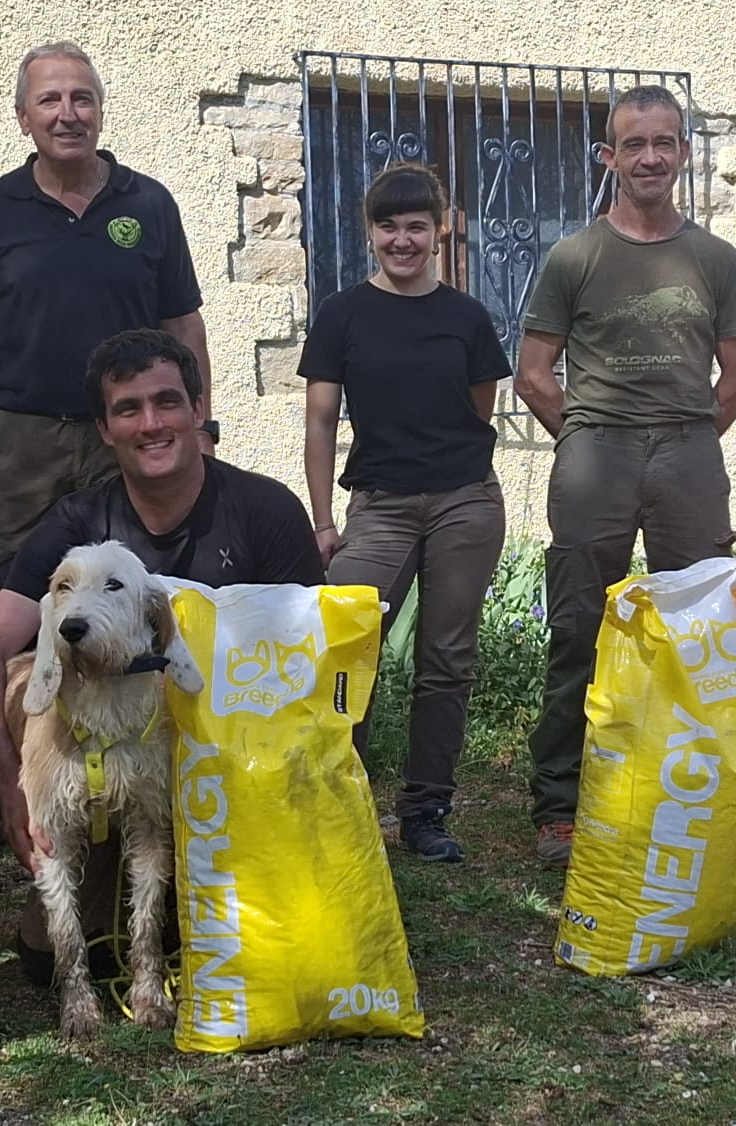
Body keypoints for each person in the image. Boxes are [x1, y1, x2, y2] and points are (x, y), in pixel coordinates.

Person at [0, 328, 321, 982]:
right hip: (118, 781)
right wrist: (12, 792)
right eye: (128, 409)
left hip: (237, 776)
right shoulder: (77, 526)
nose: (151, 423)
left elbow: (316, 668)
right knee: (50, 967)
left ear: (198, 410)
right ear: (104, 428)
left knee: (264, 955)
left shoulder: (267, 513)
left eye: (167, 401)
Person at [514, 85, 736, 865]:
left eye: (664, 143)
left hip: (689, 450)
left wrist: (686, 441)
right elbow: (532, 374)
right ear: (609, 157)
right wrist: (589, 437)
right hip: (597, 454)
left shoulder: (716, 259)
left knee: (701, 634)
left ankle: (700, 789)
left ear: (683, 153)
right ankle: (561, 801)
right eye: (634, 145)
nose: (650, 157)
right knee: (580, 629)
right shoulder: (574, 256)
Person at [0, 40, 215, 623]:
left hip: (128, 434)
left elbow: (182, 323)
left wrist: (199, 427)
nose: (67, 113)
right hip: (19, 442)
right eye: (49, 99)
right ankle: (10, 703)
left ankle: (133, 712)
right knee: (3, 589)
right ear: (23, 117)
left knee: (136, 592)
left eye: (82, 99)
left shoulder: (150, 204)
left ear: (100, 112)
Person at [300, 163, 509, 863]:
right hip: (379, 506)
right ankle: (339, 798)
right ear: (371, 234)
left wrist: (450, 474)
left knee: (445, 662)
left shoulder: (466, 317)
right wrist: (325, 520)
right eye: (389, 226)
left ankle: (425, 813)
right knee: (343, 645)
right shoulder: (342, 314)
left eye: (417, 225)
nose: (403, 239)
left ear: (439, 230)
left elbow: (475, 412)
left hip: (464, 501)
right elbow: (322, 421)